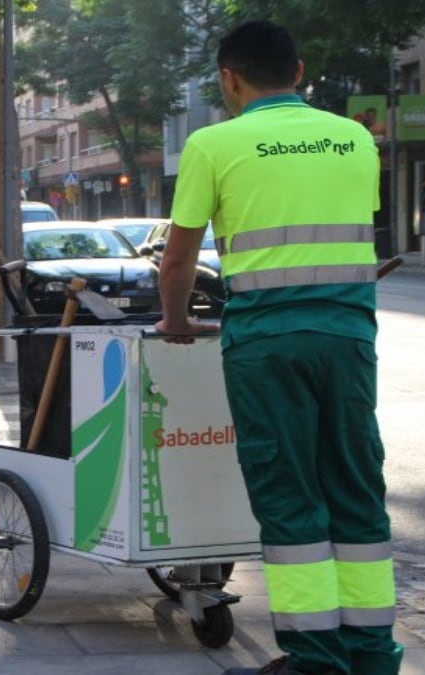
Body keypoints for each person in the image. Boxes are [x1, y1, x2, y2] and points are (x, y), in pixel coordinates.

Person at [154, 20, 402, 675]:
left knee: (289, 494)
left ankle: (316, 658)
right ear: (299, 73)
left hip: (266, 344)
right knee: (354, 486)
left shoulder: (213, 143)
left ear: (228, 79)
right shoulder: (354, 138)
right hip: (348, 340)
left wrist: (174, 321)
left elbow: (177, 259)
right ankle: (372, 654)